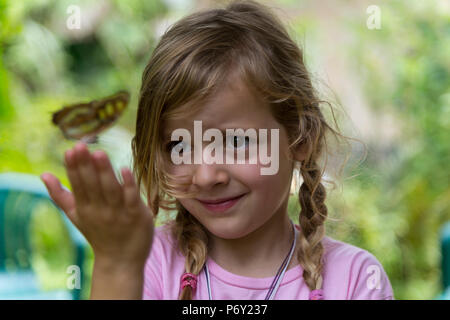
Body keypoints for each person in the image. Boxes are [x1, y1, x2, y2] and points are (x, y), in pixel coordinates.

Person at [40, 0, 394, 300]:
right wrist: (117, 265)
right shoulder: (149, 262)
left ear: (300, 138)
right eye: (179, 146)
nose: (207, 175)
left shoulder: (356, 280)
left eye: (236, 142)